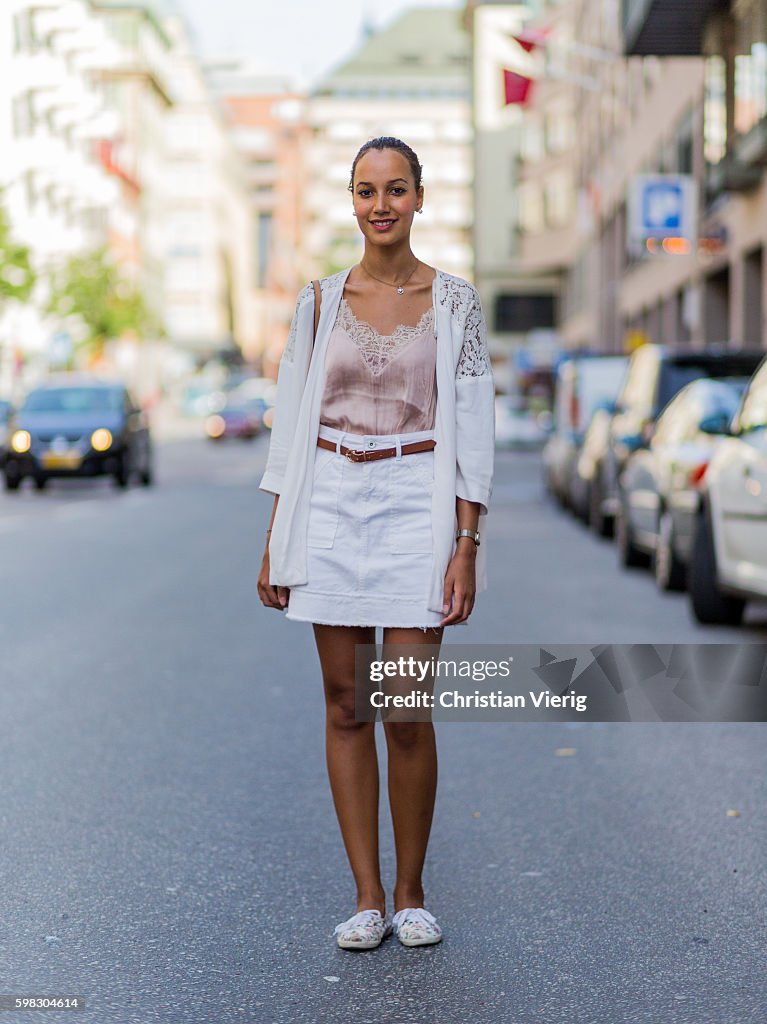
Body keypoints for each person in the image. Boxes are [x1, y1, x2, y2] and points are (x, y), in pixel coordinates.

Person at [258, 137, 495, 950]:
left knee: (403, 706)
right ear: (351, 200)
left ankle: (411, 890)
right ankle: (365, 896)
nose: (380, 205)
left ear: (420, 198)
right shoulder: (319, 301)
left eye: (396, 189)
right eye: (366, 191)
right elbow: (291, 421)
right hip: (328, 501)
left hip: (415, 503)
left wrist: (466, 540)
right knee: (345, 704)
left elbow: (472, 430)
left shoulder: (454, 301)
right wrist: (276, 536)